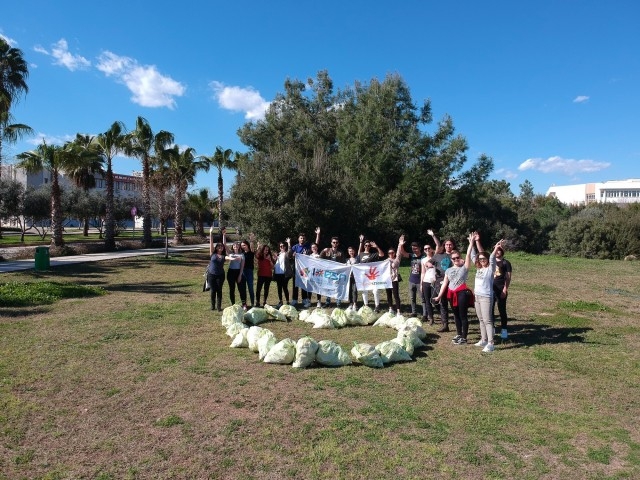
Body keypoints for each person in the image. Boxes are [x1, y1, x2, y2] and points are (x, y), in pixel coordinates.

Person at [434, 233, 473, 345]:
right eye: (453, 258)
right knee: (456, 315)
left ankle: (464, 338)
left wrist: (471, 243)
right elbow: (445, 284)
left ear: (460, 258)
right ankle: (459, 334)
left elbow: (468, 254)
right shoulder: (448, 270)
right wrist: (439, 296)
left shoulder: (464, 268)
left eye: (457, 258)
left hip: (461, 293)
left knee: (462, 315)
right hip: (451, 294)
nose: (456, 259)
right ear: (451, 259)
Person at [471, 233, 503, 353]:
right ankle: (483, 339)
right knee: (480, 319)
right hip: (477, 296)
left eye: (483, 259)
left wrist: (495, 248)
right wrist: (472, 243)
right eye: (480, 259)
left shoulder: (490, 269)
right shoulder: (479, 268)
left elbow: (492, 258)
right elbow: (473, 255)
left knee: (488, 320)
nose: (482, 260)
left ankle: (491, 343)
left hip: (486, 297)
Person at [289, 228, 321, 308]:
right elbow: (290, 254)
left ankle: (304, 299)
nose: (302, 239)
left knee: (304, 283)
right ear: (298, 239)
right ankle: (294, 299)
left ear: (305, 239)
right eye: (301, 238)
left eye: (303, 238)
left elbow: (315, 245)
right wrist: (292, 255)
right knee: (295, 284)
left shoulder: (307, 246)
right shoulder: (295, 247)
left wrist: (318, 234)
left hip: (305, 269)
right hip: (296, 269)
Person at [429, 230, 453, 332]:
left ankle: (447, 323)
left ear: (453, 246)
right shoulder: (439, 254)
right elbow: (429, 262)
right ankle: (445, 323)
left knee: (451, 303)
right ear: (444, 245)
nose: (448, 246)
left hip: (452, 282)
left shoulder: (455, 255)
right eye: (447, 244)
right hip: (439, 281)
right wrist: (429, 265)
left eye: (450, 244)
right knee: (435, 301)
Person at [398, 235, 425, 317]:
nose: (414, 249)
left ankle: (425, 314)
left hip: (420, 281)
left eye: (416, 248)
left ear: (420, 248)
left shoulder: (424, 257)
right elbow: (403, 253)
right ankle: (414, 312)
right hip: (411, 280)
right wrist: (401, 244)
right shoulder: (412, 256)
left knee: (422, 298)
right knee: (412, 298)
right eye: (413, 248)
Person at [357, 234, 385, 312]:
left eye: (369, 245)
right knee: (364, 291)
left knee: (375, 290)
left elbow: (382, 254)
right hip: (363, 276)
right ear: (364, 246)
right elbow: (358, 255)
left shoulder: (373, 255)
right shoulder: (361, 254)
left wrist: (376, 247)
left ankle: (377, 306)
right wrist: (361, 242)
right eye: (366, 245)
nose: (367, 246)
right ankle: (366, 305)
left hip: (373, 276)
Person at [319, 231, 346, 307]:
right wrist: (322, 251)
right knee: (328, 287)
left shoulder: (341, 252)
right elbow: (320, 259)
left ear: (338, 243)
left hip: (337, 272)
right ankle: (328, 302)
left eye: (336, 242)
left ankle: (338, 302)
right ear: (331, 243)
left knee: (337, 287)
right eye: (334, 242)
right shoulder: (327, 250)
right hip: (328, 272)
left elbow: (344, 262)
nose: (335, 244)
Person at [222, 228, 247, 310]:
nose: (235, 246)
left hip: (238, 272)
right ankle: (233, 304)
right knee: (231, 289)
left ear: (239, 247)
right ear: (233, 247)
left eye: (237, 245)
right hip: (231, 272)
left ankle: (244, 304)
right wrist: (224, 235)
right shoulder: (230, 253)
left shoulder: (242, 255)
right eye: (234, 245)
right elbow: (224, 244)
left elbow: (242, 267)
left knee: (241, 289)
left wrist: (240, 275)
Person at [492, 244, 513, 339]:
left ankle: (504, 329)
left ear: (502, 252)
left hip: (501, 290)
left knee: (502, 310)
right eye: (496, 250)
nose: (497, 252)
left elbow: (508, 278)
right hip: (490, 290)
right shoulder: (490, 261)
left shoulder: (506, 263)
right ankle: (491, 329)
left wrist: (505, 289)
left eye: (499, 250)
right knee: (490, 310)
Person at [207, 226, 226, 311]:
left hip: (220, 275)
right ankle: (212, 306)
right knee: (213, 290)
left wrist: (224, 235)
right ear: (216, 248)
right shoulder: (212, 254)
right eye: (218, 246)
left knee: (219, 290)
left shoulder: (223, 256)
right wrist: (211, 233)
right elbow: (211, 243)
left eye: (221, 247)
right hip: (211, 274)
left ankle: (219, 307)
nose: (220, 248)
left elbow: (224, 244)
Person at [419, 241, 438, 325]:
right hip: (426, 281)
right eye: (425, 249)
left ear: (431, 249)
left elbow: (438, 245)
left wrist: (433, 235)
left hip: (435, 281)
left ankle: (444, 316)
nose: (427, 250)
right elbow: (423, 272)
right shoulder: (423, 260)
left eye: (428, 248)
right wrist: (421, 283)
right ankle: (431, 318)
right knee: (427, 301)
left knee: (435, 300)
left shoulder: (436, 257)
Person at [273, 238, 293, 308]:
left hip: (285, 274)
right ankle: (280, 301)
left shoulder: (286, 254)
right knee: (279, 288)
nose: (282, 247)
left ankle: (287, 301)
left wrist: (289, 243)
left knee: (284, 287)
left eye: (283, 246)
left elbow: (290, 252)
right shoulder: (278, 254)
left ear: (285, 246)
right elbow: (274, 263)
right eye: (280, 246)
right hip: (278, 274)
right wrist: (275, 258)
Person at [255, 243, 275, 307]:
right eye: (265, 250)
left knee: (266, 289)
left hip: (268, 276)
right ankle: (257, 302)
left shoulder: (270, 257)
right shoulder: (259, 256)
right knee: (258, 289)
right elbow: (256, 254)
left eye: (267, 250)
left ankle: (264, 302)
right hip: (261, 275)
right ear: (263, 250)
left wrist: (270, 260)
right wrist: (258, 247)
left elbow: (273, 267)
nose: (266, 251)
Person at [240, 233, 256, 307]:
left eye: (244, 245)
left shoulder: (251, 252)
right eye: (242, 245)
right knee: (243, 288)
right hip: (242, 271)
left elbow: (252, 245)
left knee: (250, 288)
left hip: (249, 271)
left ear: (247, 245)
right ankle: (244, 304)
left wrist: (251, 239)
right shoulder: (241, 253)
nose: (243, 246)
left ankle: (252, 303)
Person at [385, 246, 401, 315]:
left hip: (394, 279)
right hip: (387, 280)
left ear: (394, 253)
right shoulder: (386, 261)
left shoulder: (396, 260)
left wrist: (400, 245)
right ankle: (390, 308)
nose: (391, 254)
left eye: (392, 253)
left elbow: (399, 254)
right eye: (389, 253)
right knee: (388, 295)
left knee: (396, 295)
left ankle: (398, 311)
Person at [344, 245, 359, 310]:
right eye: (350, 251)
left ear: (354, 251)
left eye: (352, 251)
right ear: (348, 252)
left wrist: (360, 242)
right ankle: (350, 303)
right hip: (348, 278)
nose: (351, 252)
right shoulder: (346, 260)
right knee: (349, 290)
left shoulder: (357, 259)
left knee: (355, 290)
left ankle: (355, 303)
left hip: (355, 277)